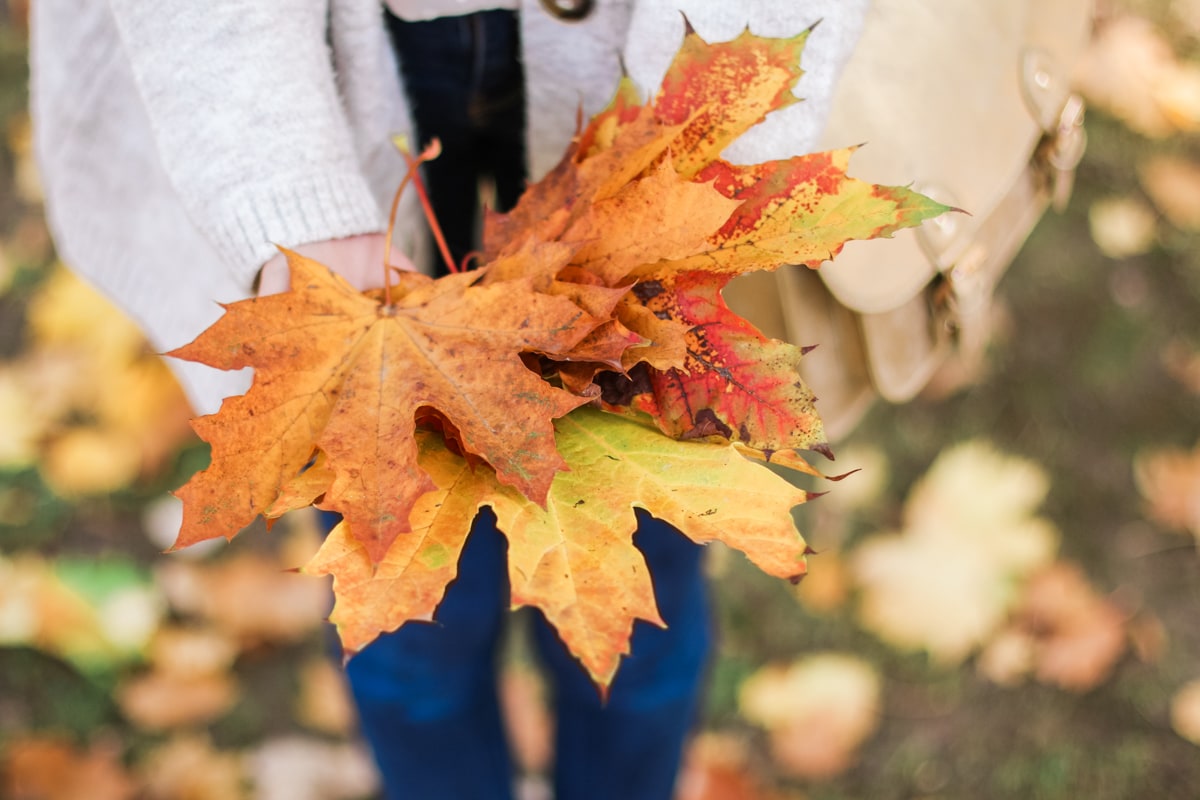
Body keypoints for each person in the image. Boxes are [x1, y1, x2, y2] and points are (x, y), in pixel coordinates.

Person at [29, 2, 868, 797]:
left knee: (636, 616)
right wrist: (287, 195)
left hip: (635, 137)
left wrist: (669, 169)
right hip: (334, 91)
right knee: (410, 632)